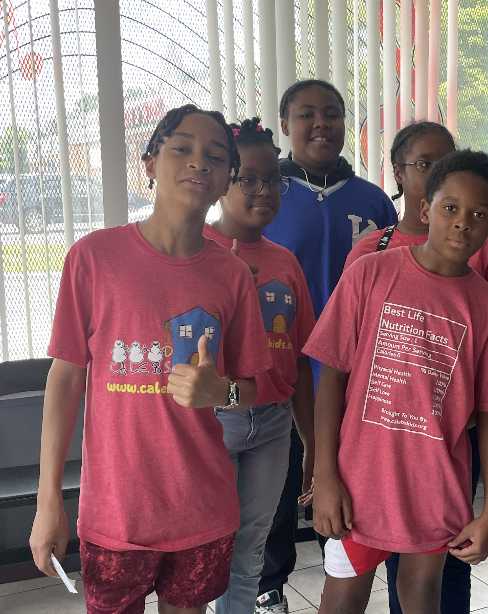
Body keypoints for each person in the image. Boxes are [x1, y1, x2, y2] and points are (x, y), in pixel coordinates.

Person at [29, 104, 274, 614]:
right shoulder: (94, 258)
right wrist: (48, 501)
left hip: (202, 510)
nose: (198, 163)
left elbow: (250, 387)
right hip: (117, 513)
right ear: (150, 162)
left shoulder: (231, 275)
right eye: (181, 147)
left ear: (228, 177)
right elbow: (66, 379)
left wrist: (219, 392)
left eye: (215, 156)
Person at [306, 150, 488, 614]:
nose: (462, 223)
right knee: (342, 599)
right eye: (450, 208)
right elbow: (331, 379)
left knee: (422, 596)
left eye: (478, 214)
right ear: (425, 209)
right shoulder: (369, 274)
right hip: (358, 480)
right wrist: (325, 473)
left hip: (436, 484)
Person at [258, 79, 398, 613]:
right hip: (283, 375)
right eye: (307, 114)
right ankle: (270, 588)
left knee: (342, 495)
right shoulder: (268, 195)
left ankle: (342, 585)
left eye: (333, 114)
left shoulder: (373, 200)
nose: (321, 124)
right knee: (279, 488)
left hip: (355, 379)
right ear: (286, 123)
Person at [203, 117, 317, 614]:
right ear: (222, 177)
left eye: (272, 179)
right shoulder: (197, 252)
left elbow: (302, 360)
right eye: (248, 178)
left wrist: (312, 442)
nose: (262, 190)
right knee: (208, 543)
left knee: (251, 547)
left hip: (273, 425)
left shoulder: (286, 263)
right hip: (214, 422)